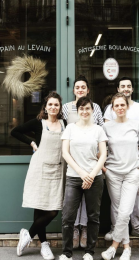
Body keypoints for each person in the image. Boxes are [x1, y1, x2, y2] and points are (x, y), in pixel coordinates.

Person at [11, 92, 66, 260]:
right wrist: (31, 142)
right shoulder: (38, 123)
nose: (53, 107)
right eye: (50, 104)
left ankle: (27, 235)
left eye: (56, 104)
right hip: (40, 169)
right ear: (45, 106)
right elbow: (16, 131)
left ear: (59, 107)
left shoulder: (65, 124)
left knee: (53, 211)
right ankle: (44, 245)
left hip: (57, 170)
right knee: (40, 207)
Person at [103, 77, 139, 242]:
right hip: (115, 165)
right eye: (123, 86)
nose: (126, 88)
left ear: (132, 89)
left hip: (135, 161)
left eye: (129, 86)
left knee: (137, 197)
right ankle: (115, 228)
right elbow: (106, 141)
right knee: (116, 202)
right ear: (118, 88)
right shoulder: (110, 112)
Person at [60, 96, 107, 260]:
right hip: (74, 178)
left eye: (87, 108)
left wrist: (92, 175)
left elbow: (103, 154)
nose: (85, 111)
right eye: (81, 109)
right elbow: (65, 153)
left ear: (92, 110)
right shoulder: (70, 128)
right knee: (68, 217)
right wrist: (81, 173)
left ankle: (89, 252)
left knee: (93, 216)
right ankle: (66, 253)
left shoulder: (98, 130)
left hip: (95, 178)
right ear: (78, 111)